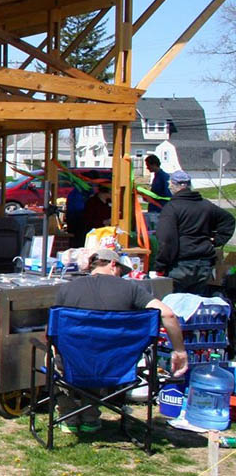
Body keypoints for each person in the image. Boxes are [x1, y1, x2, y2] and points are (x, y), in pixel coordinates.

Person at [53, 248, 187, 431]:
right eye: (120, 272)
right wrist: (179, 350)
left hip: (74, 363)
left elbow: (53, 332)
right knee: (100, 354)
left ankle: (67, 416)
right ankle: (90, 417)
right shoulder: (131, 289)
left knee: (63, 357)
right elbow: (168, 314)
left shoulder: (68, 288)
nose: (121, 276)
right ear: (112, 264)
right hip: (117, 365)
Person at [155, 171, 236, 294]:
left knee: (177, 305)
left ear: (173, 185)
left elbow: (166, 240)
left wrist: (161, 265)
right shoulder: (205, 205)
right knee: (197, 305)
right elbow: (228, 220)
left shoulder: (171, 208)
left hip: (180, 264)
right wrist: (215, 241)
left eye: (170, 185)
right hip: (203, 264)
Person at [145, 154, 171, 229]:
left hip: (160, 210)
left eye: (148, 165)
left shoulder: (164, 177)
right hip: (154, 208)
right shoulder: (156, 176)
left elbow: (167, 195)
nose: (147, 167)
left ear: (154, 164)